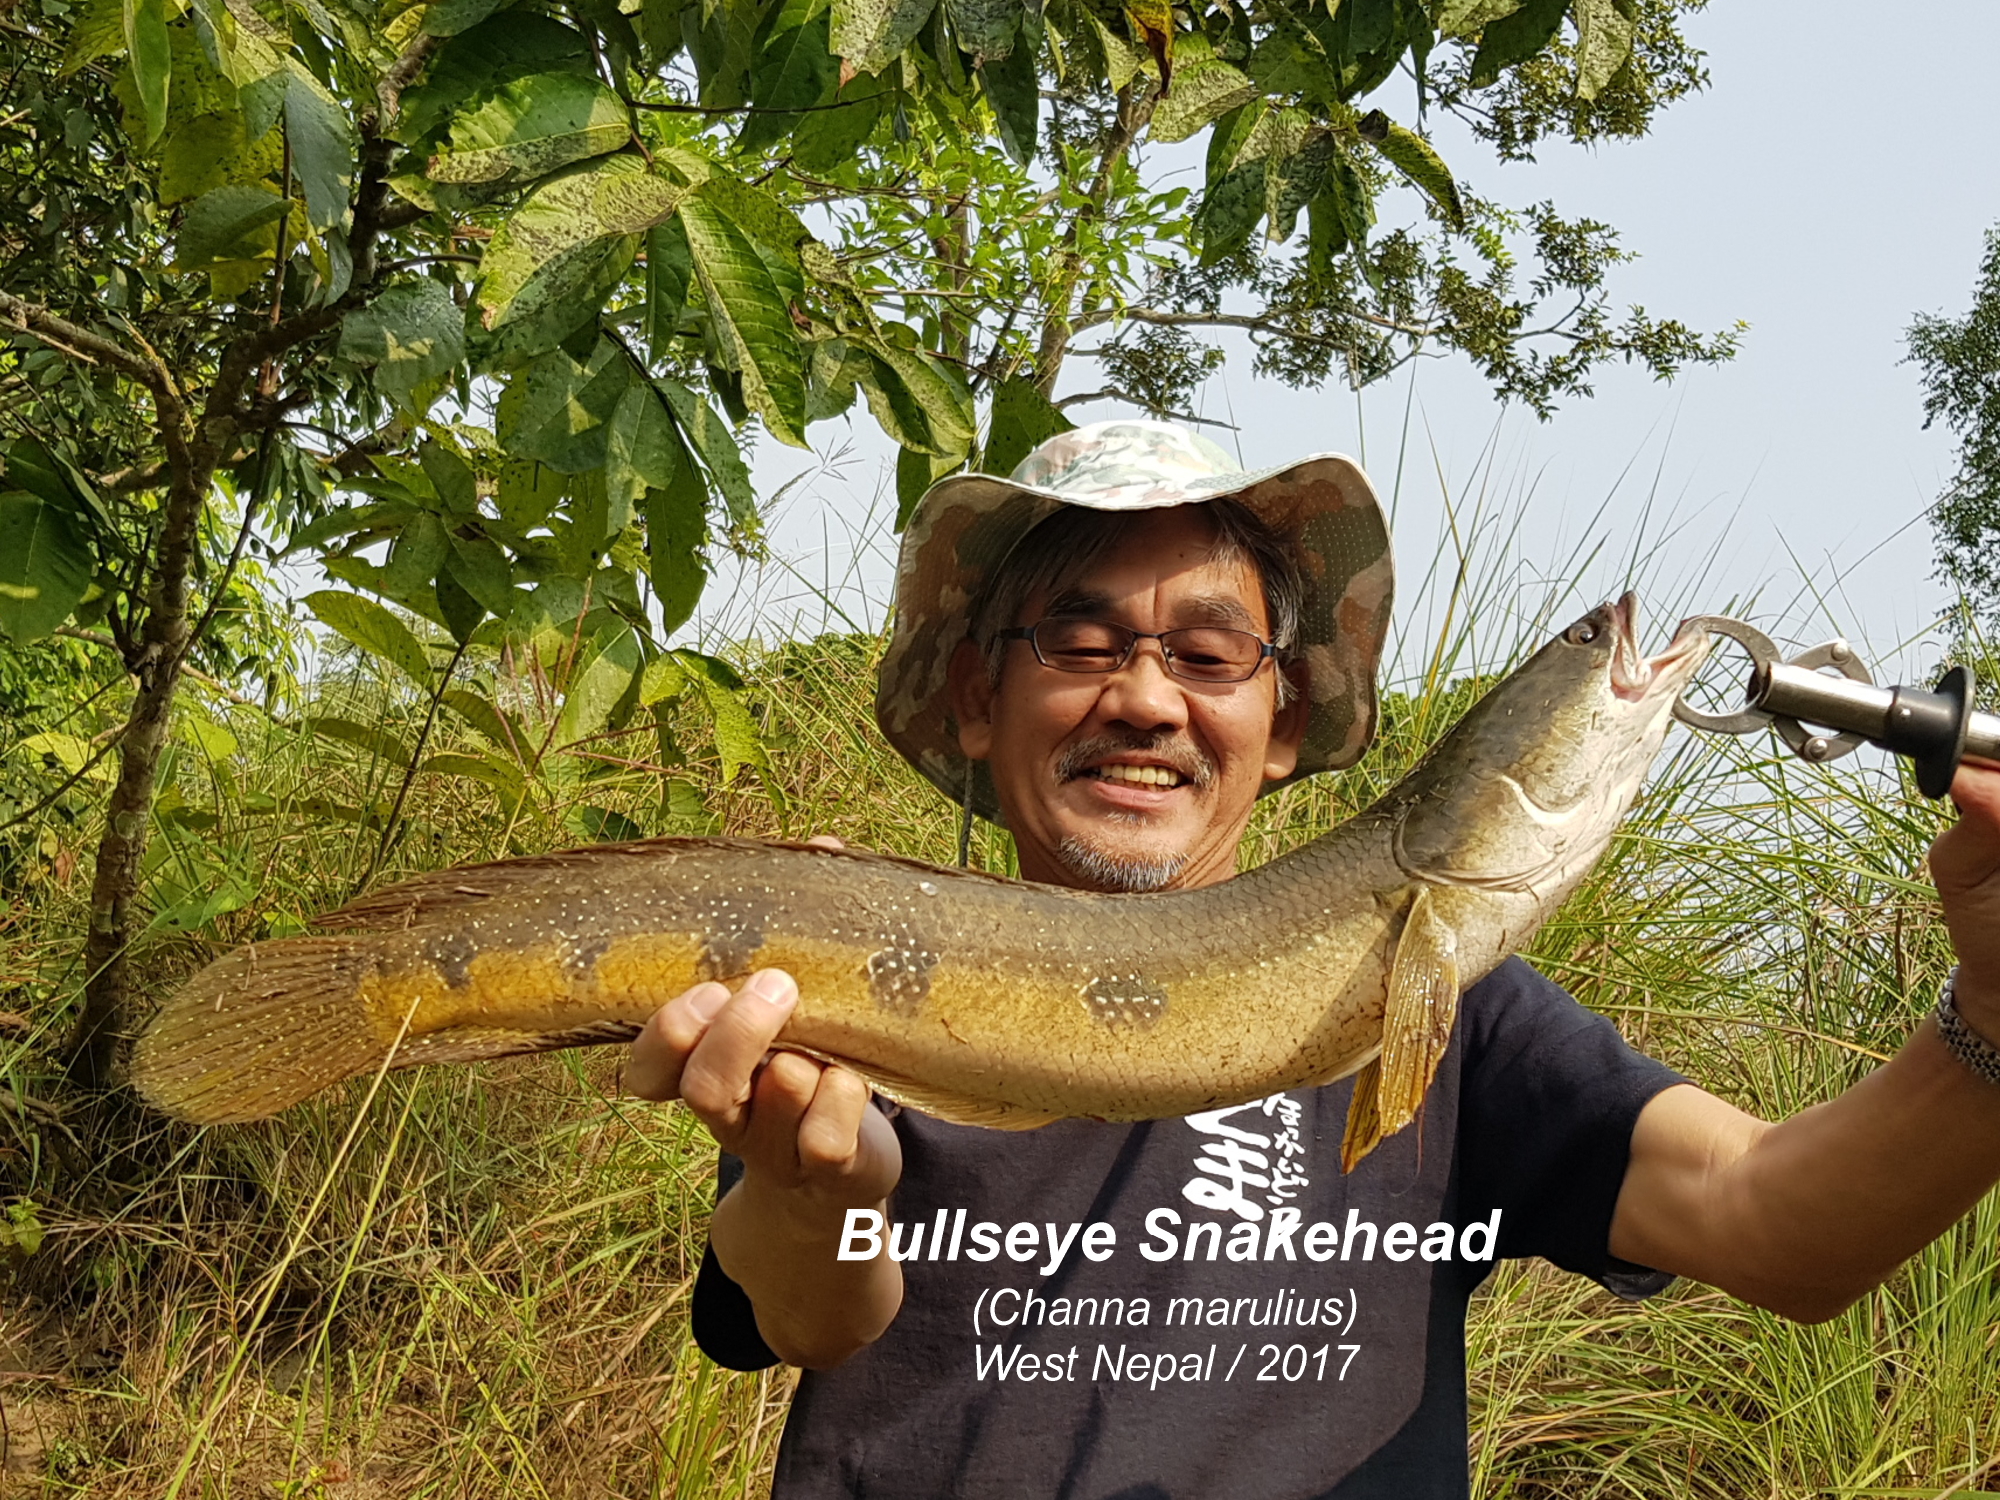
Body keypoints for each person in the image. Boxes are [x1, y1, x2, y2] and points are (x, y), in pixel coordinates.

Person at [625, 421, 2000, 1498]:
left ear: (1283, 721)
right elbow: (807, 1319)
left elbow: (1783, 1230)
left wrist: (1994, 1015)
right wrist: (817, 1190)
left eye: (1209, 654)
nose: (1144, 697)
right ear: (983, 700)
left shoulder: (1459, 1009)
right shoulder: (862, 966)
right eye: (1080, 643)